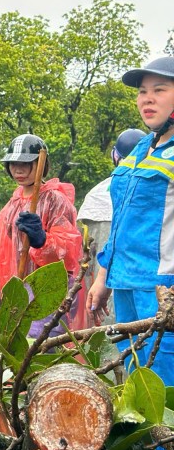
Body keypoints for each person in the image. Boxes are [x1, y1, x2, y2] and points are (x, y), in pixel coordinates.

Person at [89, 57, 174, 384]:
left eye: (159, 89)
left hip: (162, 286)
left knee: (163, 379)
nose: (147, 98)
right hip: (124, 282)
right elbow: (120, 220)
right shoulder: (140, 148)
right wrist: (102, 278)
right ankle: (144, 438)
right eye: (142, 91)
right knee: (135, 376)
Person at [0, 135, 83, 335]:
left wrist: (42, 241)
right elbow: (4, 250)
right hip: (20, 284)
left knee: (41, 344)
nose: (18, 170)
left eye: (25, 163)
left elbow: (69, 249)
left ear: (40, 164)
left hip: (46, 287)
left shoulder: (55, 200)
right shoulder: (15, 201)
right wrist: (6, 289)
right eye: (13, 164)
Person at [76, 128, 147, 327]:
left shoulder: (95, 195)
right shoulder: (153, 187)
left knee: (108, 340)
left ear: (115, 155)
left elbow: (84, 253)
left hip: (100, 286)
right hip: (141, 283)